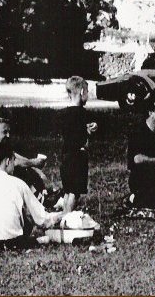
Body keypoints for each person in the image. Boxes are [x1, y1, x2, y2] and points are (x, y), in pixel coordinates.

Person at [0, 141, 65, 248]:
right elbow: (43, 220)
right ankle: (34, 241)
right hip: (11, 242)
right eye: (14, 161)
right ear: (8, 162)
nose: (14, 165)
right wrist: (63, 215)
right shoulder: (19, 184)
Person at [60, 76, 98, 213]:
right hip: (78, 156)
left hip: (65, 156)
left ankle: (64, 216)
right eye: (87, 92)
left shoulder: (63, 114)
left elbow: (70, 132)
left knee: (67, 191)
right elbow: (82, 134)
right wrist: (90, 129)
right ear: (82, 92)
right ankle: (67, 218)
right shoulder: (83, 113)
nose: (87, 96)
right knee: (75, 193)